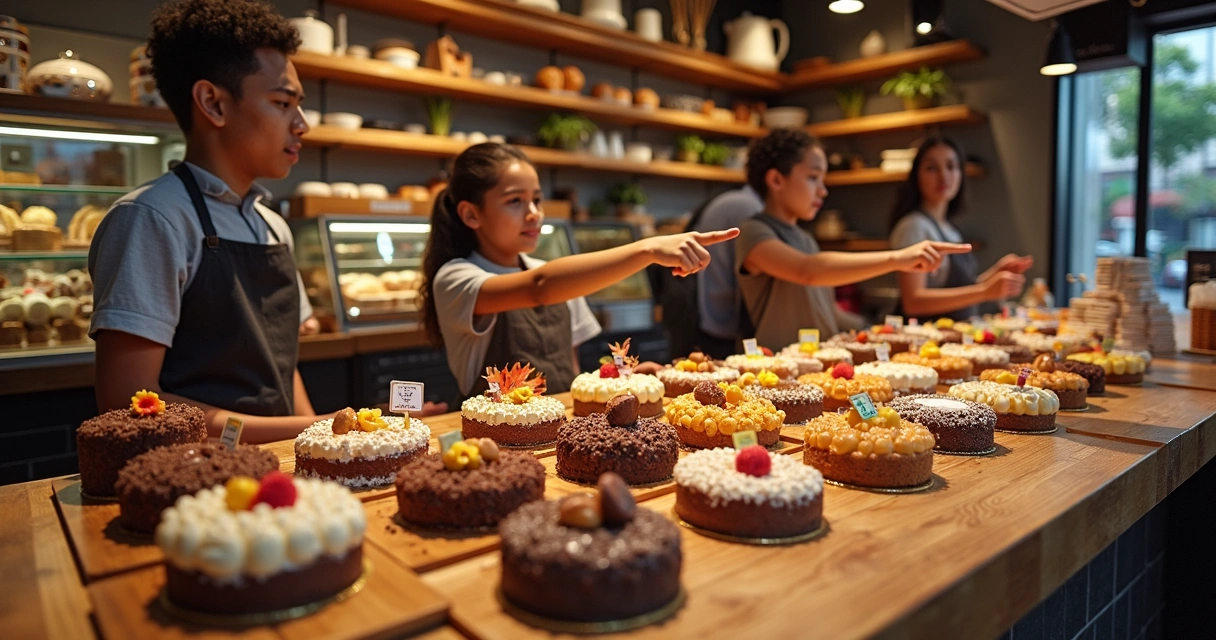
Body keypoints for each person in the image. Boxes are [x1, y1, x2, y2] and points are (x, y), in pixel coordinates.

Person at [89, 0, 324, 442]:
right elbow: (128, 400)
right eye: (282, 102)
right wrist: (310, 430)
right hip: (192, 484)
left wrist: (320, 442)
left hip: (280, 476)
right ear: (212, 103)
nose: (302, 124)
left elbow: (281, 367)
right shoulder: (152, 219)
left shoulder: (273, 225)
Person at [420, 143, 738, 397]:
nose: (533, 214)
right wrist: (648, 249)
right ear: (471, 215)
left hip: (561, 435)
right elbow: (539, 288)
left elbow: (570, 378)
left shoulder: (553, 275)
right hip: (495, 443)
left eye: (537, 200)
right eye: (515, 201)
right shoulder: (457, 278)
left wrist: (616, 382)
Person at [735, 129, 972, 349]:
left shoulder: (805, 239)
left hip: (814, 364)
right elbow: (807, 271)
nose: (822, 190)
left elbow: (824, 309)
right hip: (770, 370)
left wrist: (870, 327)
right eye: (813, 177)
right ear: (776, 180)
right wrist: (898, 258)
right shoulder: (754, 231)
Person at [888, 136, 1032, 321]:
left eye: (951, 166)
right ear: (916, 176)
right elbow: (913, 302)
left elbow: (957, 290)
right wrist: (983, 291)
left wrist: (993, 275)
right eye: (932, 168)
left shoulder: (949, 228)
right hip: (924, 342)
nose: (944, 176)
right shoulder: (913, 226)